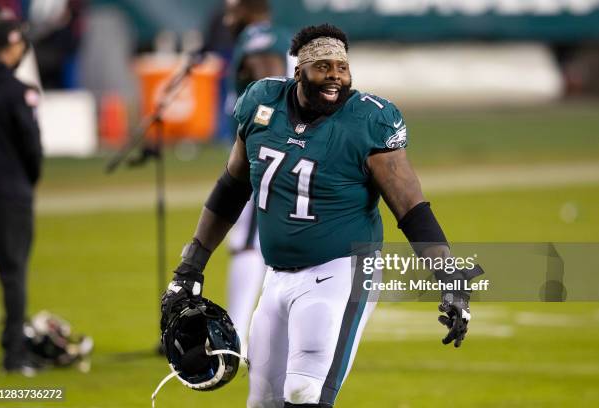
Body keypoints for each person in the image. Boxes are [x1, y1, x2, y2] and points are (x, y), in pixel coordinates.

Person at [162, 24, 479, 407]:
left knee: (304, 390)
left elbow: (410, 206)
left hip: (342, 272)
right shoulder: (261, 104)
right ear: (299, 71)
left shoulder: (368, 120)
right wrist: (190, 266)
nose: (334, 76)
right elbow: (231, 188)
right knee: (262, 400)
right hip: (277, 277)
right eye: (323, 67)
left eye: (342, 67)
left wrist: (448, 276)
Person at [221, 0, 295, 352]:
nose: (226, 18)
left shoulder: (257, 37)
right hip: (292, 146)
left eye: (231, 10)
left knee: (248, 240)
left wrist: (263, 124)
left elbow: (270, 72)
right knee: (261, 239)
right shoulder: (284, 36)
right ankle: (265, 330)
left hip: (268, 149)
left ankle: (236, 335)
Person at [0, 18, 42, 376]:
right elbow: (32, 150)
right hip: (10, 196)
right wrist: (27, 183)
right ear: (14, 48)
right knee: (13, 275)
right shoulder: (18, 90)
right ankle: (14, 356)